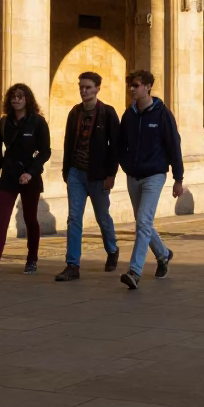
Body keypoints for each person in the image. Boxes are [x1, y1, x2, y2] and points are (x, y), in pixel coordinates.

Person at [116, 69, 183, 290]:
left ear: (147, 87)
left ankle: (135, 271)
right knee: (143, 222)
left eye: (136, 85)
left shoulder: (162, 115)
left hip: (154, 175)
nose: (132, 90)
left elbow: (174, 146)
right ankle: (163, 255)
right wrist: (125, 165)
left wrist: (178, 178)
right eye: (130, 86)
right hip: (133, 175)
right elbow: (121, 144)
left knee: (143, 222)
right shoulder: (129, 115)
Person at [0, 83, 51, 280]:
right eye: (13, 97)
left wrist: (31, 172)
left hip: (29, 178)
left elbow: (45, 152)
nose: (16, 99)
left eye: (20, 96)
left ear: (27, 99)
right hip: (8, 177)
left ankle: (32, 258)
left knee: (30, 219)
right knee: (1, 221)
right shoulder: (4, 123)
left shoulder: (37, 122)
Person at [54, 72, 121, 282]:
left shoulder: (107, 113)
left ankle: (112, 249)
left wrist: (111, 174)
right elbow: (67, 143)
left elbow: (116, 147)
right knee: (74, 218)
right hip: (76, 173)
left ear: (97, 88)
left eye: (88, 87)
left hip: (98, 175)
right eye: (81, 87)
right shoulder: (75, 113)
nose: (84, 91)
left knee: (102, 217)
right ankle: (72, 265)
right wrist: (67, 171)